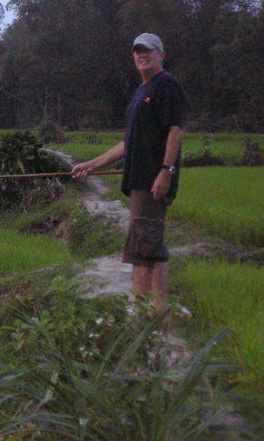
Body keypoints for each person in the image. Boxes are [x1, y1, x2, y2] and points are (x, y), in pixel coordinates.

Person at [71, 33, 185, 318]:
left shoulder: (165, 84)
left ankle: (141, 312)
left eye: (147, 50)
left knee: (142, 247)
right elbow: (128, 143)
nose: (141, 55)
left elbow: (175, 130)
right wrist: (92, 164)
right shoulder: (140, 92)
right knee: (152, 244)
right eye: (137, 51)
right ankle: (157, 311)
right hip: (139, 181)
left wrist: (166, 172)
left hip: (152, 181)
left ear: (161, 54)